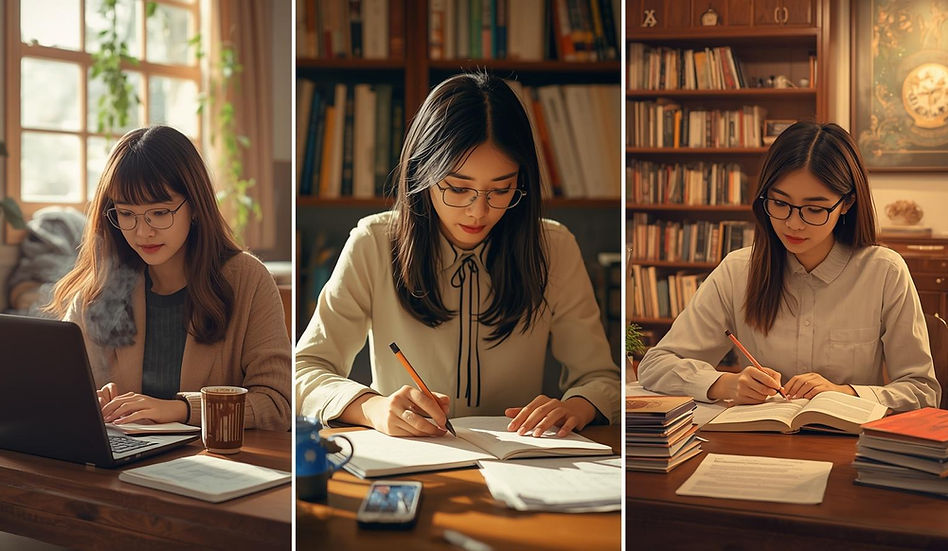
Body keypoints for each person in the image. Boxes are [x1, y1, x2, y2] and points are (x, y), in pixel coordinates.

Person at [296, 72, 620, 438]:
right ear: (423, 171)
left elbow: (600, 378)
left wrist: (575, 406)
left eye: (501, 189)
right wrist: (372, 406)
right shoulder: (374, 243)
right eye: (458, 187)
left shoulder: (553, 247)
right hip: (412, 457)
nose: (478, 211)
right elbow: (304, 370)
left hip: (523, 462)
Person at [637, 121, 940, 412]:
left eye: (814, 209)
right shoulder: (738, 271)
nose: (793, 223)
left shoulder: (883, 272)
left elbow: (922, 392)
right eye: (780, 204)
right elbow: (655, 365)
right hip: (759, 444)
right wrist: (724, 383)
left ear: (846, 204)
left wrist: (844, 393)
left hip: (850, 447)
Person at [47, 125, 291, 431]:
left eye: (160, 213)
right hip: (124, 464)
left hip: (213, 467)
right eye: (126, 213)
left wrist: (181, 410)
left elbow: (277, 405)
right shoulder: (101, 287)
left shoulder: (247, 279)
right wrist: (89, 402)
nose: (142, 231)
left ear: (196, 208)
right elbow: (59, 393)